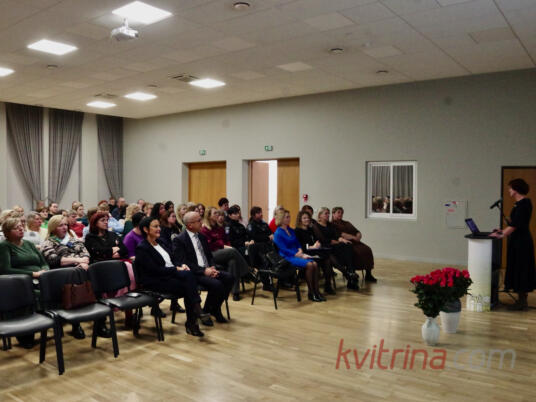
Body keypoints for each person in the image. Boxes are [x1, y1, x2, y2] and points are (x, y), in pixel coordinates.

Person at [135, 217, 208, 337]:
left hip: (171, 276)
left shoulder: (161, 242)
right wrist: (176, 269)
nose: (159, 229)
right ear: (146, 229)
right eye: (155, 226)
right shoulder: (142, 248)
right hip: (156, 281)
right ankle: (194, 317)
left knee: (188, 283)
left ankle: (194, 319)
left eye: (159, 226)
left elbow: (174, 259)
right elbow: (154, 271)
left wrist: (181, 265)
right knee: (189, 283)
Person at [172, 212, 234, 323]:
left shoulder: (201, 236)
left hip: (208, 269)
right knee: (217, 284)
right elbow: (183, 262)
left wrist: (212, 267)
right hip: (194, 273)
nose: (202, 222)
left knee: (229, 277)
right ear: (190, 225)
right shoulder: (180, 240)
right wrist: (204, 270)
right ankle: (211, 310)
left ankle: (212, 309)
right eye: (199, 220)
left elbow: (209, 256)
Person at [40, 215, 93, 339]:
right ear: (53, 228)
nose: (64, 227)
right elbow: (54, 260)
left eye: (65, 225)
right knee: (72, 274)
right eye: (60, 225)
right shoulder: (48, 243)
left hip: (79, 272)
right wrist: (78, 260)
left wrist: (84, 261)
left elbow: (86, 254)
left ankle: (96, 321)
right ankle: (75, 324)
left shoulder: (73, 240)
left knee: (89, 273)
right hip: (59, 276)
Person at [491, 178, 535, 310]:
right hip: (517, 240)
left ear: (516, 189)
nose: (509, 190)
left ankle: (522, 302)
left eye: (510, 188)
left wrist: (502, 234)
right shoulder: (519, 204)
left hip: (522, 242)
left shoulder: (524, 204)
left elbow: (516, 224)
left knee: (521, 268)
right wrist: (502, 230)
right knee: (517, 267)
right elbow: (514, 222)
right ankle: (521, 300)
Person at [273, 209, 325, 302]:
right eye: (287, 217)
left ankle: (316, 291)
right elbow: (283, 249)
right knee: (310, 265)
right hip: (287, 256)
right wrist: (297, 254)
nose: (289, 219)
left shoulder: (290, 230)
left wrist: (300, 250)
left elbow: (297, 243)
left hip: (297, 253)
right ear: (281, 219)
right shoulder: (278, 233)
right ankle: (311, 293)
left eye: (289, 217)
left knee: (315, 264)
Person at [201, 207, 250, 301]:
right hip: (212, 254)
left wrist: (226, 246)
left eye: (218, 213)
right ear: (209, 216)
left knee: (233, 261)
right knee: (233, 251)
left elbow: (226, 240)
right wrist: (222, 245)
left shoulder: (220, 227)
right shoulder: (205, 229)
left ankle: (234, 292)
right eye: (215, 213)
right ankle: (247, 271)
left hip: (223, 252)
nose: (218, 215)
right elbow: (209, 246)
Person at [313, 207, 359, 290]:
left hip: (334, 245)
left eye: (328, 213)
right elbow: (322, 239)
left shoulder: (330, 224)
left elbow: (336, 235)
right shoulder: (316, 226)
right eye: (326, 213)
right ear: (320, 215)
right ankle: (349, 275)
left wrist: (342, 239)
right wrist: (335, 241)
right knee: (337, 253)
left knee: (348, 245)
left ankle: (350, 271)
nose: (328, 215)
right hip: (324, 247)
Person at [331, 206, 376, 283]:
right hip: (345, 243)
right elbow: (342, 234)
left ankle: (368, 274)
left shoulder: (346, 223)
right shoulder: (332, 224)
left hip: (355, 241)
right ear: (333, 213)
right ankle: (352, 272)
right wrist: (354, 237)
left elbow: (356, 231)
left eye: (342, 213)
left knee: (367, 249)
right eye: (338, 212)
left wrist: (358, 235)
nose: (340, 214)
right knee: (356, 252)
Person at [295, 211, 335, 295]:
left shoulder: (310, 229)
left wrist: (317, 243)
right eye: (304, 218)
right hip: (305, 252)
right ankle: (314, 290)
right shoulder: (297, 231)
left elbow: (316, 240)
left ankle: (327, 285)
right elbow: (300, 245)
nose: (307, 219)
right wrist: (311, 246)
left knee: (327, 260)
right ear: (300, 220)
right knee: (318, 261)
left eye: (308, 218)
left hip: (314, 250)